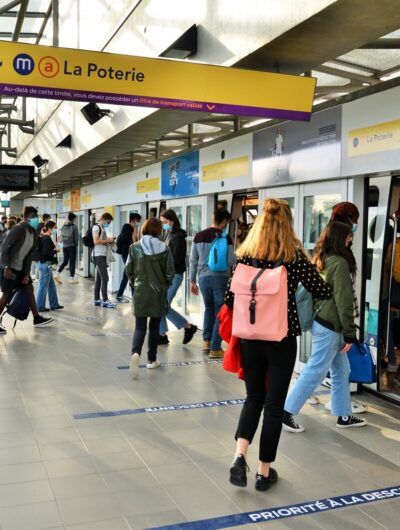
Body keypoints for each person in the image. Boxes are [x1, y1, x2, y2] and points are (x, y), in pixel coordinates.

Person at [225, 198, 331, 491]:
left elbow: (229, 299)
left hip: (249, 339)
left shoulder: (246, 256)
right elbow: (322, 289)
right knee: (273, 406)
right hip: (281, 340)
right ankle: (263, 473)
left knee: (253, 398)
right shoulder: (294, 257)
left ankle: (238, 457)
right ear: (288, 224)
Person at [283, 221, 368, 433]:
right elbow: (343, 301)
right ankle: (287, 411)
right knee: (317, 368)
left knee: (341, 369)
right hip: (331, 325)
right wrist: (350, 333)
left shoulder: (322, 257)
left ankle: (343, 415)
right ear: (340, 238)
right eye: (348, 236)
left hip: (323, 321)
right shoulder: (339, 263)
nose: (351, 239)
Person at [125, 218, 175, 378]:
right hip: (157, 293)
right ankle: (151, 360)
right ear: (159, 230)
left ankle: (135, 353)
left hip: (140, 292)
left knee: (140, 327)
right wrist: (164, 285)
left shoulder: (134, 248)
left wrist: (136, 284)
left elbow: (128, 269)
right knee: (154, 327)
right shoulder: (165, 249)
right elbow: (170, 272)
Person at [0, 206, 53, 333]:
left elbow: (29, 255)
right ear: (26, 217)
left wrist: (27, 274)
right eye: (33, 216)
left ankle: (36, 318)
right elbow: (3, 248)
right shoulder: (18, 229)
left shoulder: (34, 233)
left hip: (20, 269)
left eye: (36, 215)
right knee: (6, 295)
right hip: (8, 268)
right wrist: (6, 267)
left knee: (29, 288)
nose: (35, 218)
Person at [189, 209, 234, 358]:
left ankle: (206, 341)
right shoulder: (226, 238)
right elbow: (230, 261)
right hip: (220, 278)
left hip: (202, 279)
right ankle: (215, 348)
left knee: (209, 309)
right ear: (224, 222)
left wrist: (192, 281)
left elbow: (193, 261)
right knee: (220, 312)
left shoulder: (199, 235)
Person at [159, 209, 197, 345]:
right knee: (161, 304)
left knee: (163, 305)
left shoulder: (178, 236)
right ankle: (161, 334)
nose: (163, 225)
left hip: (174, 275)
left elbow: (176, 258)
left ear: (172, 221)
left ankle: (188, 327)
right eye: (162, 222)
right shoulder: (170, 234)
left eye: (165, 222)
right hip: (168, 275)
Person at [36, 221, 64, 312]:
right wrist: (56, 251)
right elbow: (46, 253)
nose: (56, 229)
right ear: (49, 228)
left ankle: (54, 304)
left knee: (51, 286)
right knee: (43, 286)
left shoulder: (44, 237)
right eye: (55, 228)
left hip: (44, 264)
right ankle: (39, 306)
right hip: (45, 264)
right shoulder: (47, 238)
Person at [92, 212, 116, 308]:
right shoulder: (96, 227)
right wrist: (108, 240)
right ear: (104, 219)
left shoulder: (104, 228)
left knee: (99, 278)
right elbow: (96, 241)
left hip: (102, 255)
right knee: (105, 278)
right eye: (108, 222)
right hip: (98, 256)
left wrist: (110, 240)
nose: (109, 224)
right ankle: (105, 300)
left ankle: (97, 299)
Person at [115, 212, 141, 302]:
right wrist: (135, 228)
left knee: (128, 274)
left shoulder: (127, 228)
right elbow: (134, 241)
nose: (138, 223)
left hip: (129, 254)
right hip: (126, 254)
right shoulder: (127, 228)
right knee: (129, 274)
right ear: (133, 220)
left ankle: (122, 295)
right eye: (137, 221)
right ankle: (121, 296)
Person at [55, 212, 79, 285]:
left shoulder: (64, 225)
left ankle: (57, 274)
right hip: (72, 246)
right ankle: (71, 278)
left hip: (65, 246)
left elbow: (61, 235)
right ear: (73, 218)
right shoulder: (74, 226)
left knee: (65, 261)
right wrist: (76, 244)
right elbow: (76, 237)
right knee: (72, 262)